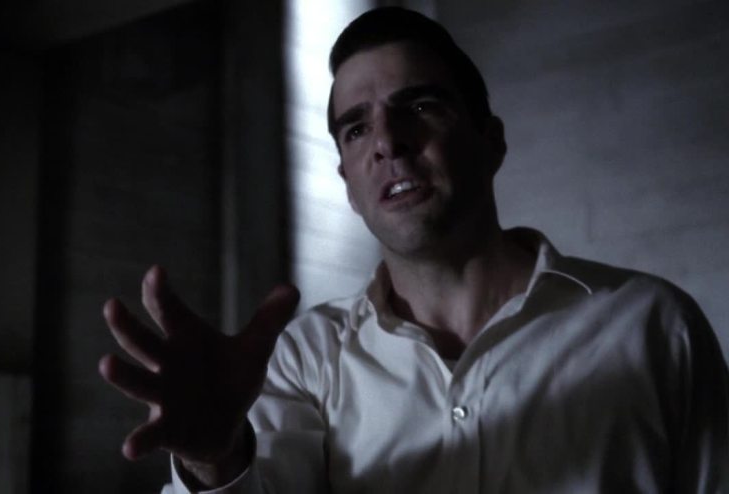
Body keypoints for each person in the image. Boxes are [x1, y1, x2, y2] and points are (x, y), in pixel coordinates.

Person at [99, 7, 729, 493]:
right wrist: (216, 463)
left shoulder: (652, 327)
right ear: (348, 184)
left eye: (421, 106)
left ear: (491, 141)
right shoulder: (306, 360)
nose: (388, 143)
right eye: (356, 127)